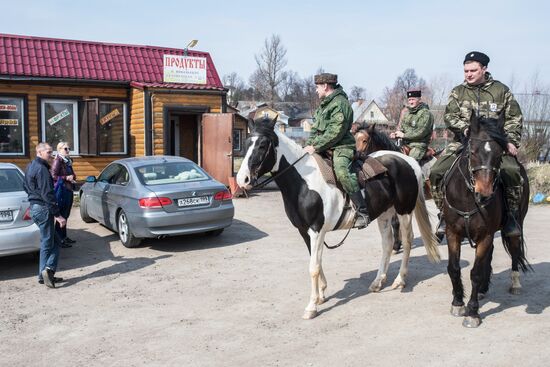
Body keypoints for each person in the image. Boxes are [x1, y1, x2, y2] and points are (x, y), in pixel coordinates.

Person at [429, 51, 524, 238]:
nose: (468, 74)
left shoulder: (501, 91)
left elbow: (514, 118)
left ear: (484, 69)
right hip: (463, 143)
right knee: (436, 172)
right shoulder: (458, 92)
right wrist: (464, 129)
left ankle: (512, 216)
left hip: (494, 146)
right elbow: (450, 116)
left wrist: (511, 141)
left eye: (473, 70)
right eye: (466, 71)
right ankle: (443, 215)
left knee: (513, 172)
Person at [304, 73, 370, 227]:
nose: (316, 90)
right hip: (324, 145)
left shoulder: (340, 103)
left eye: (317, 87)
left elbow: (336, 131)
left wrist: (315, 146)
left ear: (325, 86)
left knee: (342, 172)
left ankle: (362, 211)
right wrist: (308, 145)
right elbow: (315, 130)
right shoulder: (324, 104)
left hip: (341, 146)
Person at [24, 142, 67, 288]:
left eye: (51, 152)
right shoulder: (41, 169)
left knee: (52, 241)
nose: (51, 155)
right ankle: (47, 271)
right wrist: (58, 215)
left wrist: (34, 199)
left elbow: (25, 186)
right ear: (39, 152)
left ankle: (44, 275)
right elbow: (48, 194)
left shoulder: (30, 166)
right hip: (43, 208)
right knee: (49, 243)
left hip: (36, 208)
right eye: (48, 152)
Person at [390, 89, 434, 162]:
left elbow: (421, 132)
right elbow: (402, 128)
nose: (411, 102)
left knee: (410, 163)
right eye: (409, 100)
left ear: (419, 100)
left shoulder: (426, 114)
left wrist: (404, 135)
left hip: (418, 145)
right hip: (405, 144)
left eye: (413, 99)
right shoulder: (407, 114)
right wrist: (396, 134)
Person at [51, 141, 77, 248]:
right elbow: (53, 175)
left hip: (68, 189)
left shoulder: (67, 161)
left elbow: (71, 174)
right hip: (61, 191)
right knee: (61, 216)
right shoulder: (58, 160)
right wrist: (66, 178)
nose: (68, 150)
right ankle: (59, 240)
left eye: (68, 148)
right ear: (59, 150)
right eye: (65, 149)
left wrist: (72, 177)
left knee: (66, 215)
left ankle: (64, 237)